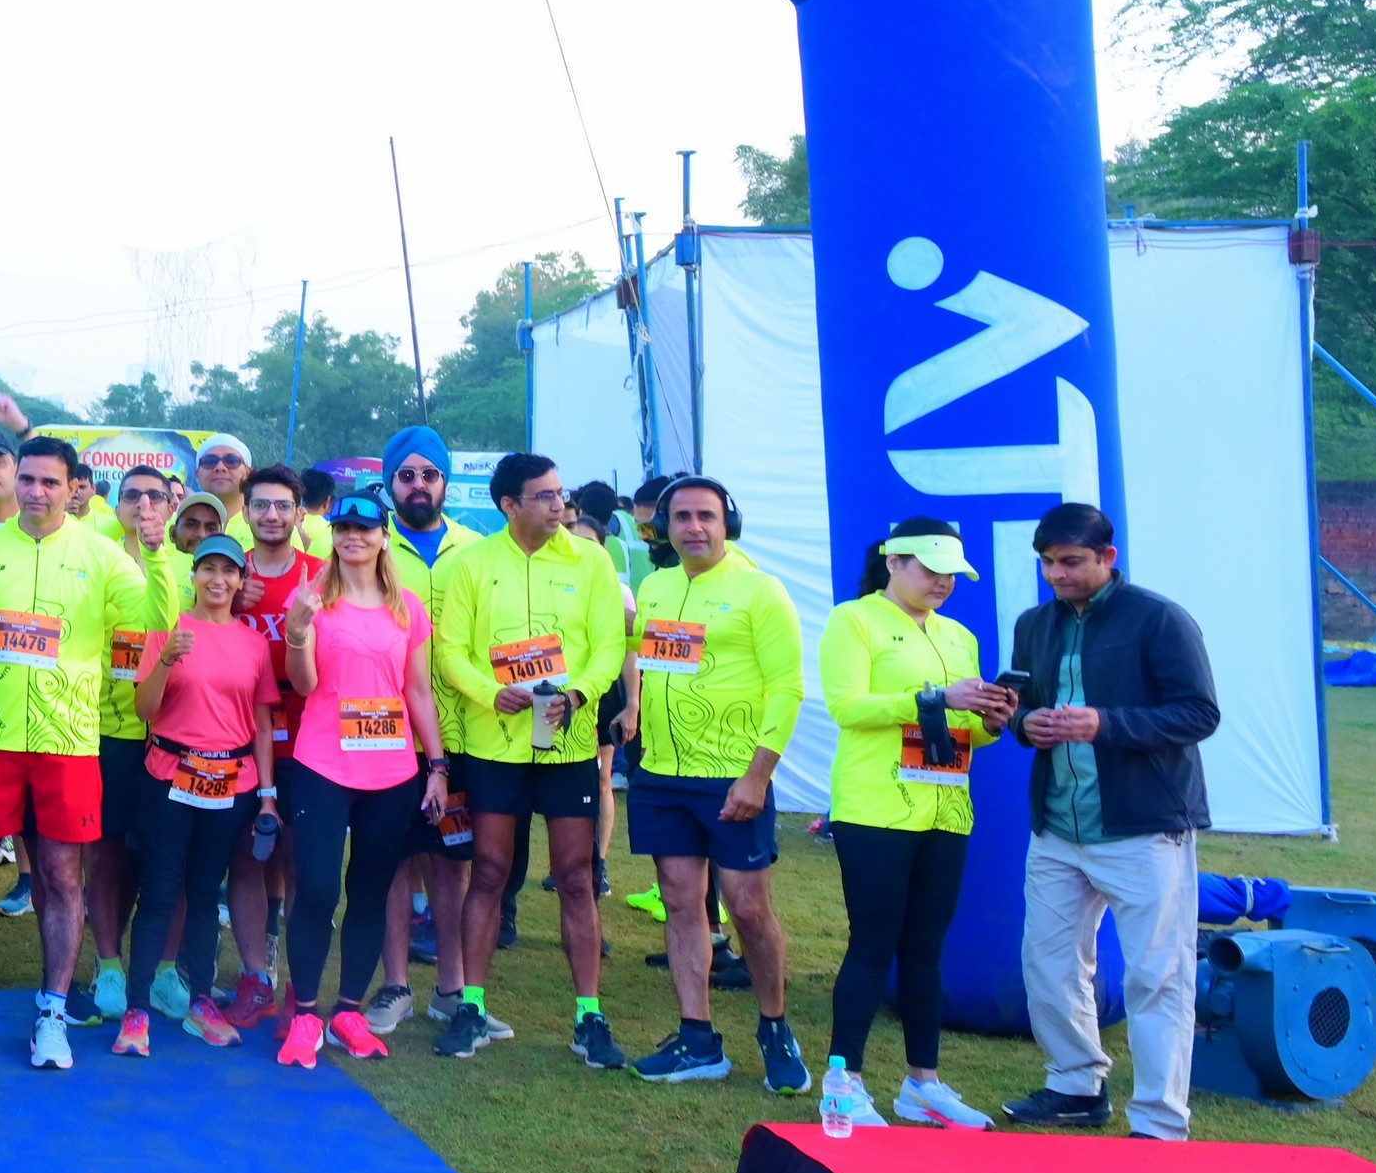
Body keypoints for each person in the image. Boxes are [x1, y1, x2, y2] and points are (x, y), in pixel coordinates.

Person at [0, 435, 156, 1068]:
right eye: (26, 479)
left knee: (60, 874)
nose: (35, 492)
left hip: (68, 741)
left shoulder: (102, 553)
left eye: (50, 482)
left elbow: (150, 622)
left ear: (73, 486)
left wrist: (156, 552)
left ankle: (53, 1010)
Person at [1002, 503, 1218, 1139]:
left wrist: (1106, 724)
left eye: (1071, 561)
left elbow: (1199, 713)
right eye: (1047, 563)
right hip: (1057, 827)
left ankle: (1158, 1119)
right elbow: (1022, 710)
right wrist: (1023, 723)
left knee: (1158, 975)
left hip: (1145, 827)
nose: (1057, 575)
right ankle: (1075, 1086)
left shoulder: (1159, 619)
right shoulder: (1033, 623)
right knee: (1048, 964)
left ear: (1108, 557)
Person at [816, 515, 1014, 1129]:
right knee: (873, 942)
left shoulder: (958, 635)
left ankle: (923, 1083)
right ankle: (843, 1082)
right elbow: (847, 706)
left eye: (951, 574)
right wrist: (933, 698)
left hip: (946, 808)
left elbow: (969, 731)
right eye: (931, 570)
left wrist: (992, 719)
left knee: (927, 949)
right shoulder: (854, 619)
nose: (942, 582)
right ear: (894, 562)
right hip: (875, 808)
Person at [430, 452, 627, 1065]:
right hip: (495, 745)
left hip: (568, 745)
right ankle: (471, 1006)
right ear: (508, 505)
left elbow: (609, 646)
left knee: (575, 877)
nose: (559, 506)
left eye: (560, 494)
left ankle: (589, 1016)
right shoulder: (471, 563)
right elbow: (449, 651)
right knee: (489, 871)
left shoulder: (591, 560)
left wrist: (579, 694)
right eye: (544, 496)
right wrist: (492, 693)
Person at [617, 477, 809, 1094]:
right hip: (661, 773)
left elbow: (788, 689)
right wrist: (631, 700)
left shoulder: (761, 590)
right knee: (681, 902)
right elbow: (646, 655)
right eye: (681, 517)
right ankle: (697, 1037)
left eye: (706, 515)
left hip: (732, 776)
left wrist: (758, 776)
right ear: (663, 527)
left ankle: (775, 1027)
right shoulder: (656, 586)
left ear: (729, 524)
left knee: (748, 908)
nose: (694, 527)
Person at [273, 488, 449, 1062]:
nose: (353, 536)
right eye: (343, 527)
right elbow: (302, 684)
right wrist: (298, 631)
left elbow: (417, 691)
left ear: (383, 539)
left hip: (392, 771)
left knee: (371, 891)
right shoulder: (312, 599)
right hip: (323, 764)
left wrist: (437, 766)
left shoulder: (407, 608)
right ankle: (305, 1014)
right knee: (317, 890)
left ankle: (348, 1011)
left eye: (364, 528)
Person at [125, 531, 279, 1054]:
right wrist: (167, 660)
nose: (217, 579)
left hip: (231, 784)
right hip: (170, 775)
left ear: (240, 581)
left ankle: (200, 1004)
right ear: (193, 575)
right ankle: (137, 1009)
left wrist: (267, 795)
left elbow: (261, 724)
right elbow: (144, 710)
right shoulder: (169, 632)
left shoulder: (253, 643)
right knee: (160, 891)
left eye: (228, 570)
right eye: (208, 568)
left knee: (206, 891)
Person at [370, 423, 476, 1034]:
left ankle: (453, 988)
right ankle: (396, 984)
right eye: (406, 475)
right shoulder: (370, 547)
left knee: (452, 862)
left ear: (445, 482)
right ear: (390, 483)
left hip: (462, 733)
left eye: (429, 474)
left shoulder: (476, 550)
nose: (417, 485)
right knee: (392, 859)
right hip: (386, 735)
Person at [218, 463, 326, 1028]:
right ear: (247, 510)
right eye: (261, 504)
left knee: (300, 863)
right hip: (240, 735)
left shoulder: (322, 576)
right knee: (245, 859)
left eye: (283, 505)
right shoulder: (228, 575)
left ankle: (299, 991)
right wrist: (233, 605)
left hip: (309, 742)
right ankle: (256, 978)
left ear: (299, 513)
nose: (272, 515)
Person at [79, 462, 182, 1021]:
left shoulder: (186, 565)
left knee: (169, 857)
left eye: (155, 497)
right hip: (107, 733)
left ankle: (164, 970)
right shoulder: (95, 559)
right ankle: (109, 964)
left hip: (173, 734)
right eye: (132, 496)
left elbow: (163, 625)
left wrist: (158, 553)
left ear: (171, 505)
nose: (144, 505)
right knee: (106, 854)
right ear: (115, 506)